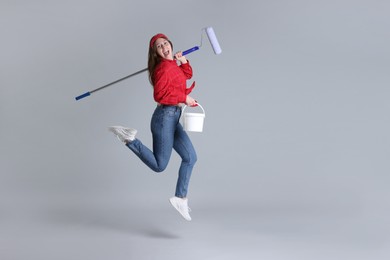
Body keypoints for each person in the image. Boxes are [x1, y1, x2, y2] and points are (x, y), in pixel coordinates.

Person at [108, 33, 198, 221]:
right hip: (164, 118)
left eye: (166, 43)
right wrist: (184, 98)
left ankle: (180, 198)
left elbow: (186, 76)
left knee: (190, 157)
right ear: (156, 53)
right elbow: (160, 95)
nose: (164, 47)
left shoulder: (172, 63)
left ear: (170, 45)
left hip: (173, 117)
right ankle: (129, 139)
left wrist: (183, 62)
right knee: (159, 165)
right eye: (159, 46)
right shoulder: (162, 69)